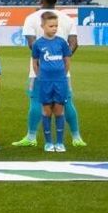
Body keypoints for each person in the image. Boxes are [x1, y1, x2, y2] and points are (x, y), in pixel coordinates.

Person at [14, 0, 84, 147]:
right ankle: (76, 137)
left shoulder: (32, 18)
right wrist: (61, 59)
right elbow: (74, 44)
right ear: (55, 1)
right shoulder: (67, 18)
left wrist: (45, 60)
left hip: (39, 71)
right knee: (67, 102)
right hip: (61, 71)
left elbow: (32, 44)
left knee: (36, 101)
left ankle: (31, 137)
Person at [31, 12, 72, 153]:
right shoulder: (38, 44)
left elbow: (67, 61)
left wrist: (62, 75)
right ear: (43, 26)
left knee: (59, 111)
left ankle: (59, 142)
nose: (54, 28)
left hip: (60, 81)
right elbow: (35, 63)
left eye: (56, 26)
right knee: (46, 111)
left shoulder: (62, 42)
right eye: (51, 26)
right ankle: (48, 142)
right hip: (45, 82)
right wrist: (40, 77)